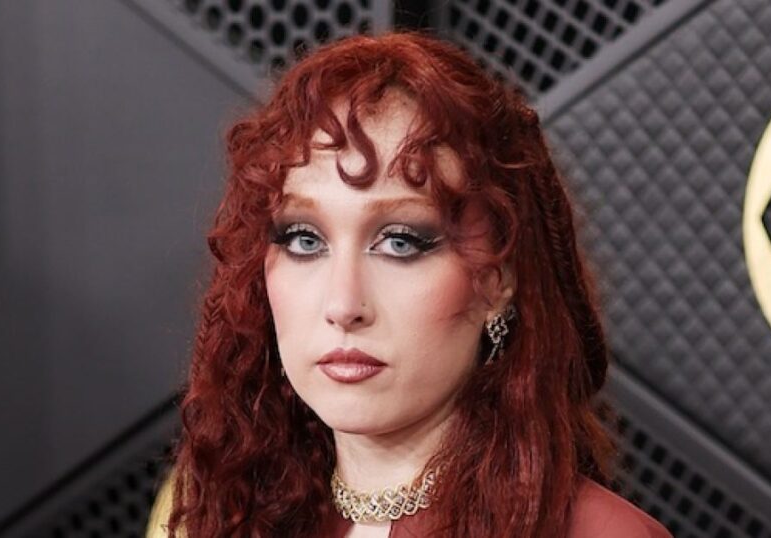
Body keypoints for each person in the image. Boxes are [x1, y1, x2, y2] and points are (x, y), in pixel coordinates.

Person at [148, 31, 672, 537]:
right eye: (305, 240)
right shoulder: (227, 517)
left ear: (497, 281)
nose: (344, 304)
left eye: (400, 242)